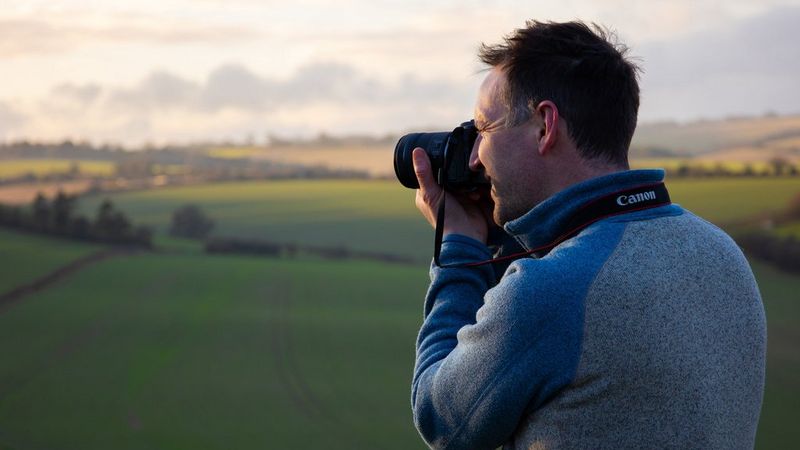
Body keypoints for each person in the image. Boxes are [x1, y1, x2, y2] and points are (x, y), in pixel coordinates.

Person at [410, 21, 766, 450]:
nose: (473, 159)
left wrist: (459, 248)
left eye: (483, 130)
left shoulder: (552, 292)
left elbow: (442, 419)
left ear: (545, 126)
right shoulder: (720, 252)